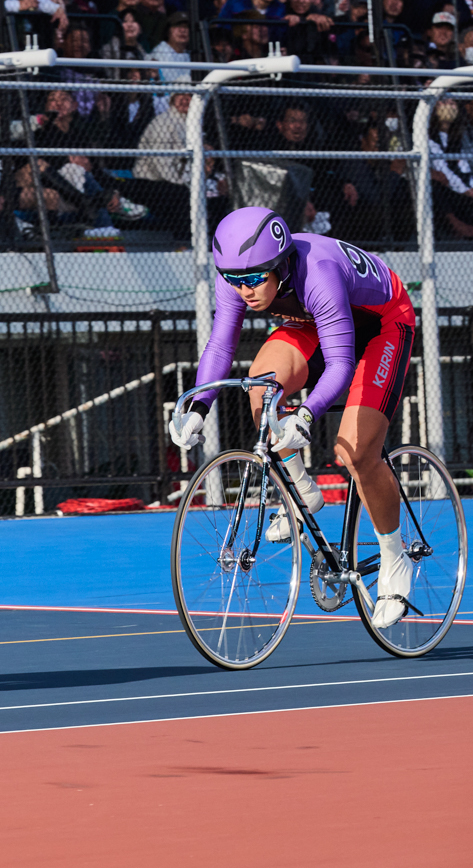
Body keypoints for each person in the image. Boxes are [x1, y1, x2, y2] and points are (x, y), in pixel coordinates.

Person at [170, 208, 418, 629]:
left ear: (280, 264)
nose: (243, 290)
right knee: (259, 387)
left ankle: (395, 560)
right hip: (313, 323)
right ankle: (301, 490)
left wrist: (305, 414)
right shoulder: (238, 274)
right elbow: (219, 345)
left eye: (253, 280)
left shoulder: (317, 270)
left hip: (382, 326)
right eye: (234, 279)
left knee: (355, 451)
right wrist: (198, 407)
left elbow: (340, 363)